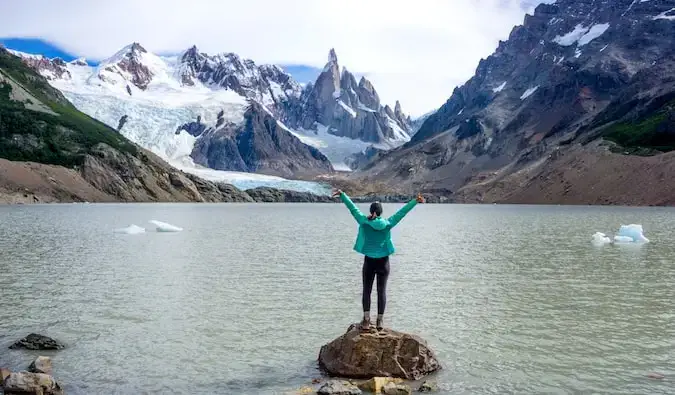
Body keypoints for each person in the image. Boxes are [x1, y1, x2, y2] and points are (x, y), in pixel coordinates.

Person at [332, 189, 425, 331]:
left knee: (366, 291)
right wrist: (415, 201)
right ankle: (380, 321)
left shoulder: (363, 221)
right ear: (380, 212)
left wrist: (342, 195)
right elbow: (402, 213)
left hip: (369, 261)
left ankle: (366, 320)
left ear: (371, 211)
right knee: (381, 291)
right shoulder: (388, 223)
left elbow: (353, 208)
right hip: (384, 262)